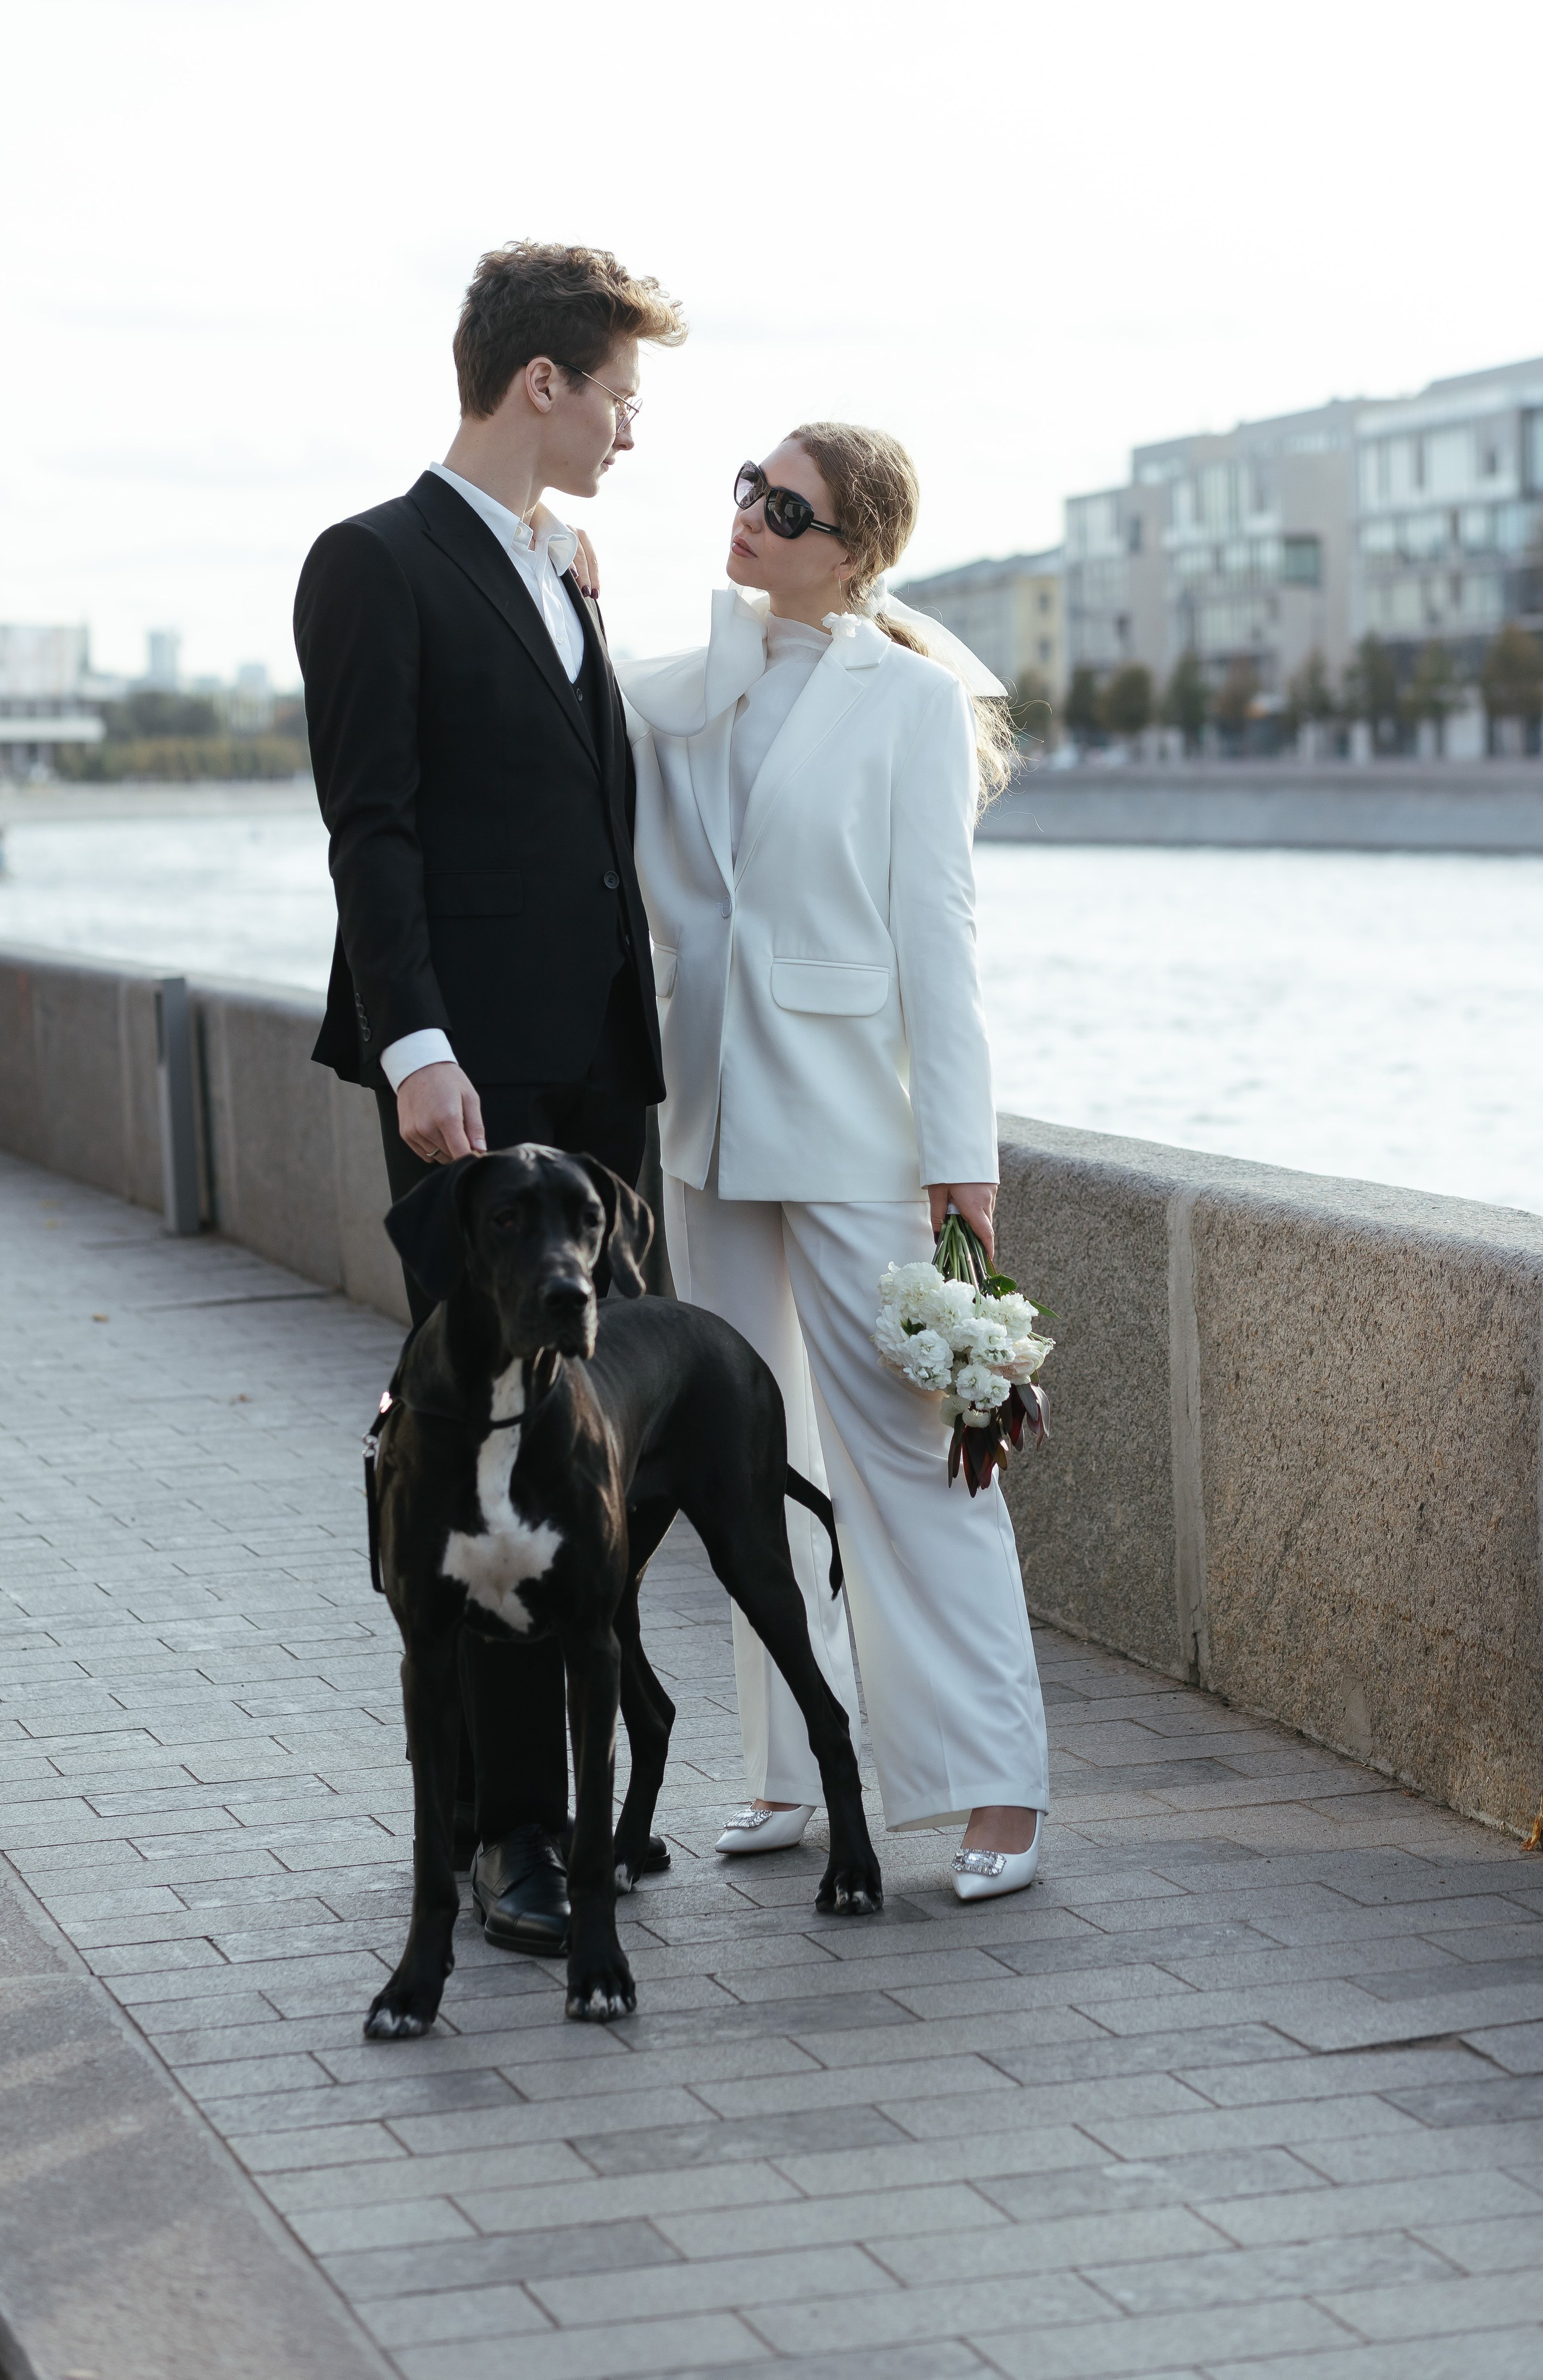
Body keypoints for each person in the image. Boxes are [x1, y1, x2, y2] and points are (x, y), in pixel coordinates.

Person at [294, 241, 686, 1955]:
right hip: (474, 1089)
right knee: (484, 1463)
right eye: (620, 395)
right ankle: (510, 1839)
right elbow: (371, 826)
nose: (630, 428)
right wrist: (417, 1045)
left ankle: (583, 1802)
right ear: (545, 382)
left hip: (594, 1080)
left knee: (583, 1459)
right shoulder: (372, 564)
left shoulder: (569, 567)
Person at [621, 425, 1049, 1900]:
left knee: (907, 1454)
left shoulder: (913, 703)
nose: (749, 514)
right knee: (738, 1459)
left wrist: (959, 1161)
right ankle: (787, 1770)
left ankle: (994, 1784)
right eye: (746, 485)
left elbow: (941, 935)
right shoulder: (682, 679)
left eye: (785, 504)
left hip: (855, 1121)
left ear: (854, 548)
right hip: (708, 1118)